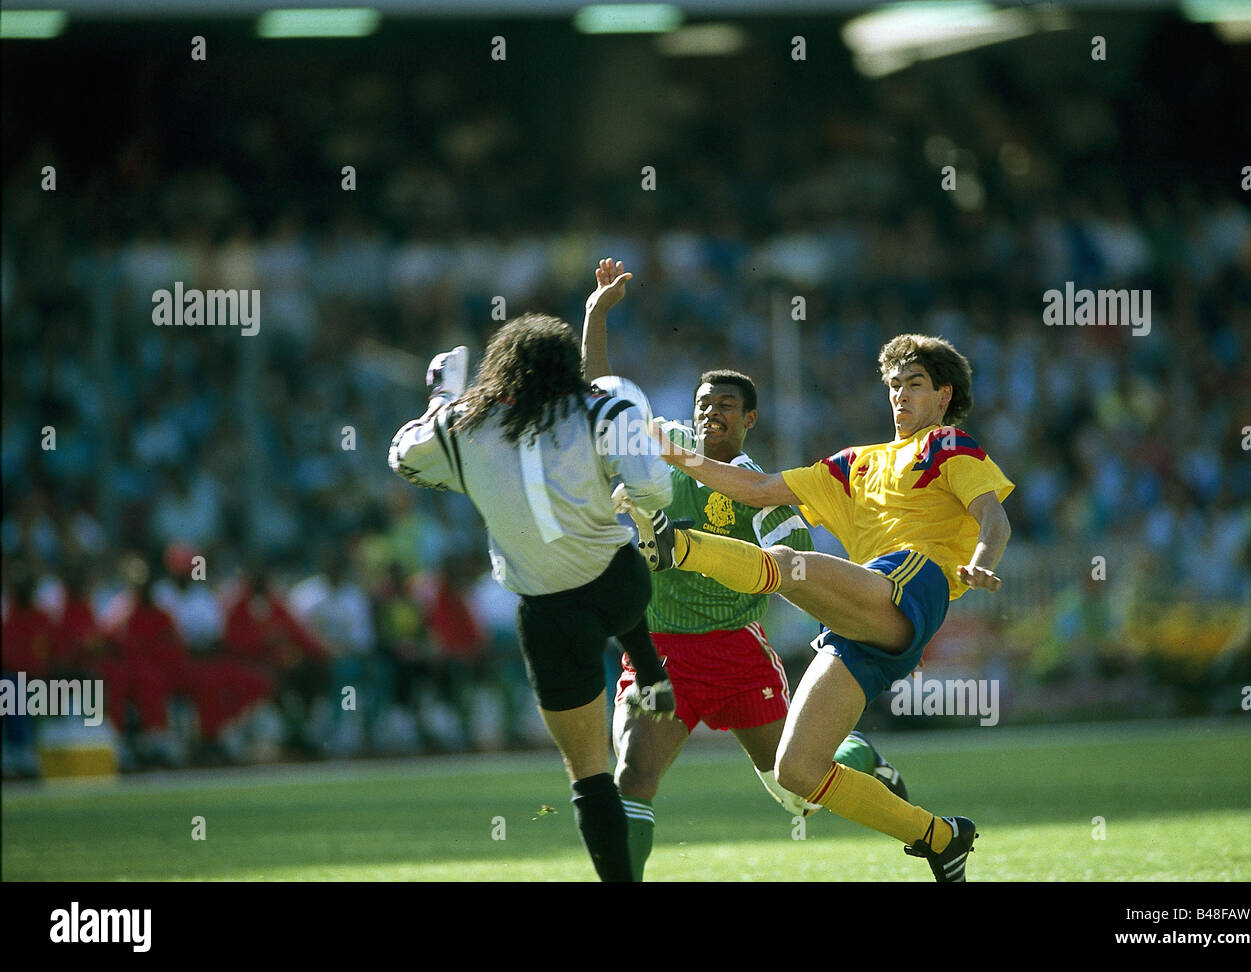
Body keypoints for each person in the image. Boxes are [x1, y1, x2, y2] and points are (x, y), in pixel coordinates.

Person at [639, 333, 1013, 881]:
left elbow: (992, 515)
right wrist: (672, 452)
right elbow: (759, 488)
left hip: (913, 583)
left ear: (943, 396)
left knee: (790, 564)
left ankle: (679, 546)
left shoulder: (948, 446)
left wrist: (983, 558)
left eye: (915, 385)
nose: (901, 396)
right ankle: (940, 836)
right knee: (797, 771)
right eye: (893, 386)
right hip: (863, 618)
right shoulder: (854, 463)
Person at [581, 258, 908, 881]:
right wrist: (596, 313)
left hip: (736, 652)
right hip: (660, 651)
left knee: (796, 794)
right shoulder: (662, 448)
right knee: (632, 775)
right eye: (705, 404)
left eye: (727, 406)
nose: (712, 414)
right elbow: (599, 400)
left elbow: (794, 571)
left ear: (749, 418)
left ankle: (863, 760)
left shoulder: (760, 491)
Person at [387, 310, 675, 882]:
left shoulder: (464, 425)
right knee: (624, 577)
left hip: (547, 608)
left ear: (498, 369)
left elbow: (403, 457)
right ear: (569, 368)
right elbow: (653, 487)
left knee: (588, 773)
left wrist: (444, 397)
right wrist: (622, 474)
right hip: (620, 583)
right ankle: (650, 667)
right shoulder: (602, 407)